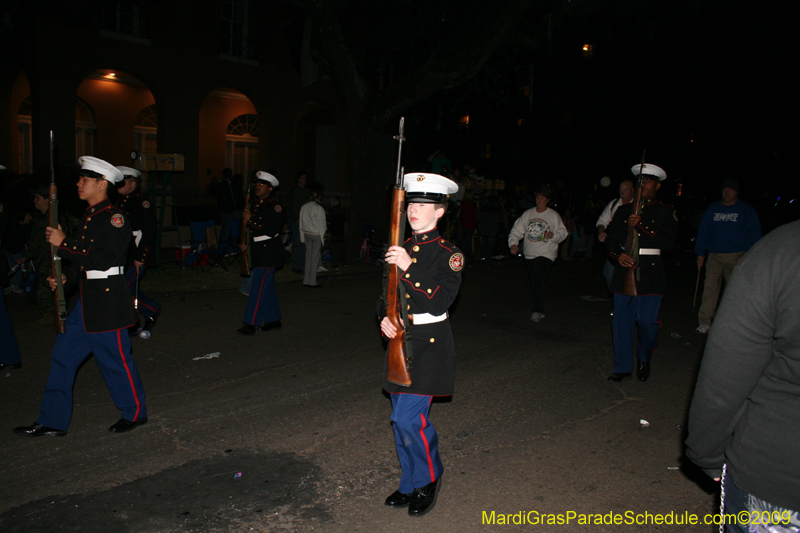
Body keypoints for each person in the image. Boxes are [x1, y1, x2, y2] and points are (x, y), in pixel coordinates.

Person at [13, 156, 147, 437]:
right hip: (85, 302)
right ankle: (52, 420)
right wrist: (66, 277)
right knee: (62, 357)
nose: (78, 183)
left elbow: (106, 258)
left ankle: (134, 412)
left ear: (102, 184)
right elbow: (83, 262)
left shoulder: (114, 218)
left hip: (107, 301)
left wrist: (65, 243)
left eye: (84, 179)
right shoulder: (89, 216)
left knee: (116, 361)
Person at [685, 220, 800, 531]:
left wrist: (706, 451)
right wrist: (701, 251)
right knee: (712, 289)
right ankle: (704, 319)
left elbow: (727, 371)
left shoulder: (781, 248)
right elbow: (706, 228)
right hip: (718, 255)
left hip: (776, 478)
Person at [380, 172, 463, 517]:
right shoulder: (401, 246)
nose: (414, 210)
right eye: (412, 203)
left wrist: (409, 266)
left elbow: (440, 301)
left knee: (407, 418)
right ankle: (410, 482)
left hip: (430, 345)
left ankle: (430, 478)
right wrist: (384, 319)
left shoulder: (449, 254)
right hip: (401, 342)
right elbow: (386, 292)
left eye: (424, 205)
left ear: (440, 212)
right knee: (401, 420)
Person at [604, 163, 677, 382]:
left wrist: (642, 225)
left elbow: (670, 243)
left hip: (650, 274)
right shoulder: (624, 210)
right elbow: (610, 241)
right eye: (640, 181)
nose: (642, 185)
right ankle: (623, 366)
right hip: (624, 272)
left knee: (647, 322)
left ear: (657, 185)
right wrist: (618, 256)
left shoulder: (665, 211)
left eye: (648, 181)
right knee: (621, 323)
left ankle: (644, 356)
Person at [694, 178, 761, 334]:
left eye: (730, 190)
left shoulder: (745, 209)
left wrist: (746, 253)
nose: (727, 192)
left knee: (734, 291)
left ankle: (735, 323)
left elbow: (755, 232)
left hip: (736, 256)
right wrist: (700, 253)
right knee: (710, 289)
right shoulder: (713, 209)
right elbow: (704, 231)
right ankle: (705, 322)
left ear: (736, 192)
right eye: (725, 190)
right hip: (714, 256)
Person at [507, 186, 568, 322]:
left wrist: (553, 235)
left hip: (546, 252)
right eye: (537, 197)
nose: (539, 200)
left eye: (542, 198)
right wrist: (513, 244)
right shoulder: (528, 214)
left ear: (547, 200)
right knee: (535, 281)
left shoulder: (553, 215)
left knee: (537, 280)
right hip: (530, 252)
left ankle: (538, 310)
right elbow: (517, 230)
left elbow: (563, 233)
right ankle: (538, 306)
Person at [237, 171, 285, 335]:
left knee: (257, 287)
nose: (258, 186)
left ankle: (250, 323)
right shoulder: (255, 204)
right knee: (267, 286)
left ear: (270, 188)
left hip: (269, 251)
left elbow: (271, 231)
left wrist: (250, 219)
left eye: (262, 184)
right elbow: (249, 229)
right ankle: (273, 320)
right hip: (257, 250)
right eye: (257, 184)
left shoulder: (275, 207)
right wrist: (243, 242)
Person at [116, 166, 161, 333]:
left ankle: (150, 310)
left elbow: (148, 231)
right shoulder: (119, 202)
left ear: (132, 183)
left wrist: (141, 256)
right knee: (126, 289)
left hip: (135, 255)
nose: (118, 185)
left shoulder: (142, 203)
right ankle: (133, 321)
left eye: (123, 181)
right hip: (122, 255)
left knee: (126, 290)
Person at [596, 180, 634, 289]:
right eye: (621, 189)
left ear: (633, 190)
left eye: (625, 190)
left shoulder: (639, 204)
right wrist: (601, 232)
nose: (622, 192)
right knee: (609, 274)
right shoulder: (614, 204)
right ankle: (616, 296)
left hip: (632, 247)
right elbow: (602, 221)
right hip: (615, 246)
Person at [299, 184, 326, 288]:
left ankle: (306, 280)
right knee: (315, 258)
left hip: (306, 233)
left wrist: (302, 235)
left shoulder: (304, 207)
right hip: (315, 234)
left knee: (308, 257)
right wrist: (323, 239)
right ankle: (312, 281)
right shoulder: (318, 208)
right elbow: (322, 225)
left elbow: (301, 222)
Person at [289, 172, 311, 273]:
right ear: (298, 179)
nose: (304, 180)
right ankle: (296, 265)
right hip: (298, 220)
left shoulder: (306, 191)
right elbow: (292, 205)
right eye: (302, 178)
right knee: (297, 242)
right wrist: (295, 218)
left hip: (305, 220)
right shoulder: (295, 190)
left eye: (305, 178)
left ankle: (302, 264)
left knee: (303, 243)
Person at [214, 168, 240, 251]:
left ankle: (230, 245)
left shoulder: (230, 184)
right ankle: (223, 246)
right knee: (226, 228)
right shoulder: (223, 184)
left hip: (230, 209)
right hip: (226, 210)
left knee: (231, 228)